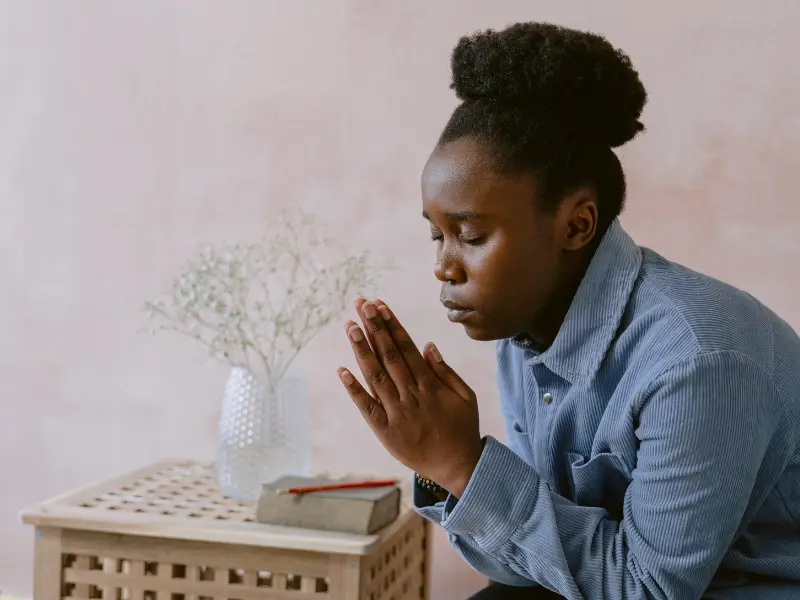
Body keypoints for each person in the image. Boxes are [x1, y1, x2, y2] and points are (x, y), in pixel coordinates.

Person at [336, 22, 800, 599]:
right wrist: (443, 464)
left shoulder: (699, 359)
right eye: (438, 236)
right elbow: (549, 555)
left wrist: (462, 465)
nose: (444, 266)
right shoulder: (527, 332)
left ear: (576, 224)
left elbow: (648, 590)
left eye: (472, 236)